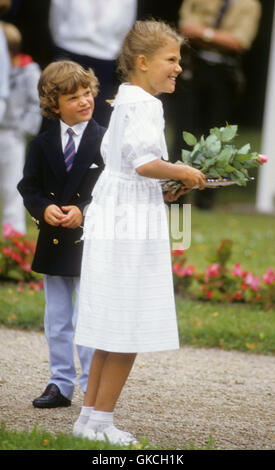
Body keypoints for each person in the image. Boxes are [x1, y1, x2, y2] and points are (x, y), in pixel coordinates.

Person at [73, 20, 205, 445]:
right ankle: (103, 420)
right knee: (128, 322)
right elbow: (145, 163)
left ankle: (89, 418)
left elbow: (129, 163)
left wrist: (165, 188)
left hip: (120, 207)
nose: (178, 68)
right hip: (128, 220)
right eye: (172, 60)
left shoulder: (126, 100)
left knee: (112, 318)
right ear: (143, 62)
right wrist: (183, 171)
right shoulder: (145, 104)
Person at [17, 60, 105, 408]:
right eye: (74, 97)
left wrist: (84, 209)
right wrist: (42, 209)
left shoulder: (105, 140)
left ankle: (91, 387)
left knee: (87, 315)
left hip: (90, 240)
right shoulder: (40, 144)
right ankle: (60, 383)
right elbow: (30, 186)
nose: (84, 101)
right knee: (56, 318)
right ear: (54, 105)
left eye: (88, 94)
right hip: (53, 241)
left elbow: (110, 189)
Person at [172, 0, 262, 209]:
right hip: (194, 65)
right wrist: (218, 37)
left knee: (217, 137)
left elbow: (239, 41)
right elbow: (186, 28)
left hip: (224, 73)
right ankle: (176, 193)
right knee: (184, 132)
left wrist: (204, 34)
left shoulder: (250, 5)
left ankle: (206, 198)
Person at [48, 0, 137, 127]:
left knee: (95, 118)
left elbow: (126, 27)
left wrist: (110, 50)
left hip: (104, 58)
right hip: (69, 49)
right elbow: (57, 14)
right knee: (58, 112)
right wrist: (64, 41)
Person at [0, 21, 41, 234]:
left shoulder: (28, 70)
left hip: (11, 133)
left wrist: (23, 129)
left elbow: (36, 103)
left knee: (12, 185)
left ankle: (12, 232)